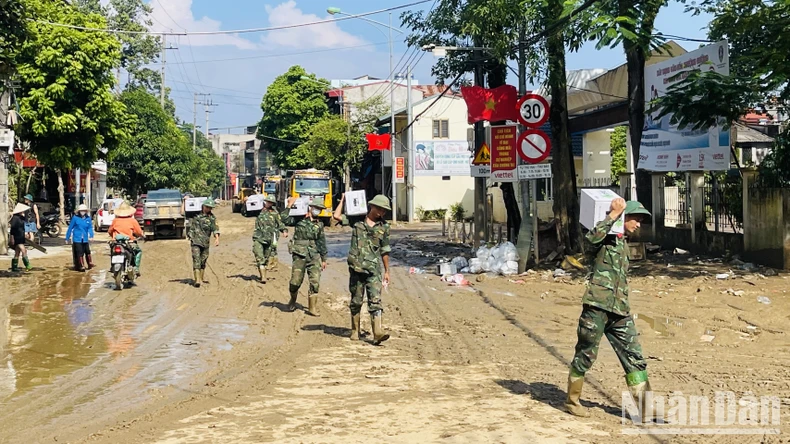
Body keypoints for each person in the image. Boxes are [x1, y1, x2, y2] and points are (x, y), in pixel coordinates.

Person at [565, 198, 658, 421]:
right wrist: (613, 214)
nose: (638, 225)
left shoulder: (624, 245)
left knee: (634, 356)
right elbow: (590, 239)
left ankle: (645, 408)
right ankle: (572, 401)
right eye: (636, 219)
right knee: (585, 354)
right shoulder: (604, 239)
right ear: (624, 217)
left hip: (620, 311)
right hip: (597, 306)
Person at [333, 194, 391, 345]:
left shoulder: (384, 227)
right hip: (357, 269)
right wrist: (344, 200)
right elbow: (336, 216)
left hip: (373, 270)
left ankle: (377, 332)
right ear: (372, 206)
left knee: (375, 301)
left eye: (384, 210)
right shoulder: (356, 221)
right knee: (356, 301)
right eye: (379, 208)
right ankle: (354, 330)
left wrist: (387, 271)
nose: (381, 212)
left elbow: (385, 250)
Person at [281, 197, 327, 315]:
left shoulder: (320, 224)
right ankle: (292, 300)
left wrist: (324, 258)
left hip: (314, 255)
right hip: (299, 254)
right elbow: (284, 219)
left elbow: (321, 241)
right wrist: (289, 205)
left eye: (320, 209)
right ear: (310, 207)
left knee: (315, 281)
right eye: (316, 208)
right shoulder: (299, 219)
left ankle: (312, 308)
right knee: (295, 282)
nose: (318, 211)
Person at [252, 195, 288, 283]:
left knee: (266, 258)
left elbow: (280, 223)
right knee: (259, 255)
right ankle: (263, 277)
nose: (268, 203)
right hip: (258, 238)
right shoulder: (259, 211)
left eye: (270, 202)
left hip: (269, 239)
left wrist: (284, 230)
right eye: (267, 201)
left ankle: (263, 272)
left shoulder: (275, 213)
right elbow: (247, 211)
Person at [187, 198, 220, 288]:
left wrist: (217, 238)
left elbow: (215, 228)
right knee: (196, 259)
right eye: (207, 207)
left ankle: (200, 278)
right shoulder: (195, 214)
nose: (209, 209)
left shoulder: (212, 218)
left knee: (203, 260)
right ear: (203, 206)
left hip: (205, 242)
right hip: (195, 241)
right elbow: (183, 212)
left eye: (210, 208)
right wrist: (184, 201)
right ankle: (197, 280)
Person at [107, 201, 144, 276]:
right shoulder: (132, 221)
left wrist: (113, 237)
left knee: (112, 251)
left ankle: (112, 266)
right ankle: (136, 268)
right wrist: (141, 235)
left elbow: (110, 231)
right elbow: (139, 232)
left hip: (116, 242)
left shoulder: (115, 221)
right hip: (129, 242)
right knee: (138, 251)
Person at [65, 204, 95, 272]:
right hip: (77, 238)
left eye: (84, 210)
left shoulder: (88, 218)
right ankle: (81, 265)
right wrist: (67, 238)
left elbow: (90, 228)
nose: (83, 212)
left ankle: (89, 263)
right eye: (81, 211)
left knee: (87, 251)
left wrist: (91, 236)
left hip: (85, 239)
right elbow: (70, 228)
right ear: (79, 211)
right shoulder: (75, 218)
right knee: (79, 252)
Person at [9, 203, 32, 272]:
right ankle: (28, 265)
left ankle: (14, 267)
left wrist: (26, 233)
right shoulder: (15, 218)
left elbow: (24, 224)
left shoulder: (21, 218)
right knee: (24, 250)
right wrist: (12, 237)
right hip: (16, 236)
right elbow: (12, 229)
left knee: (17, 252)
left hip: (21, 236)